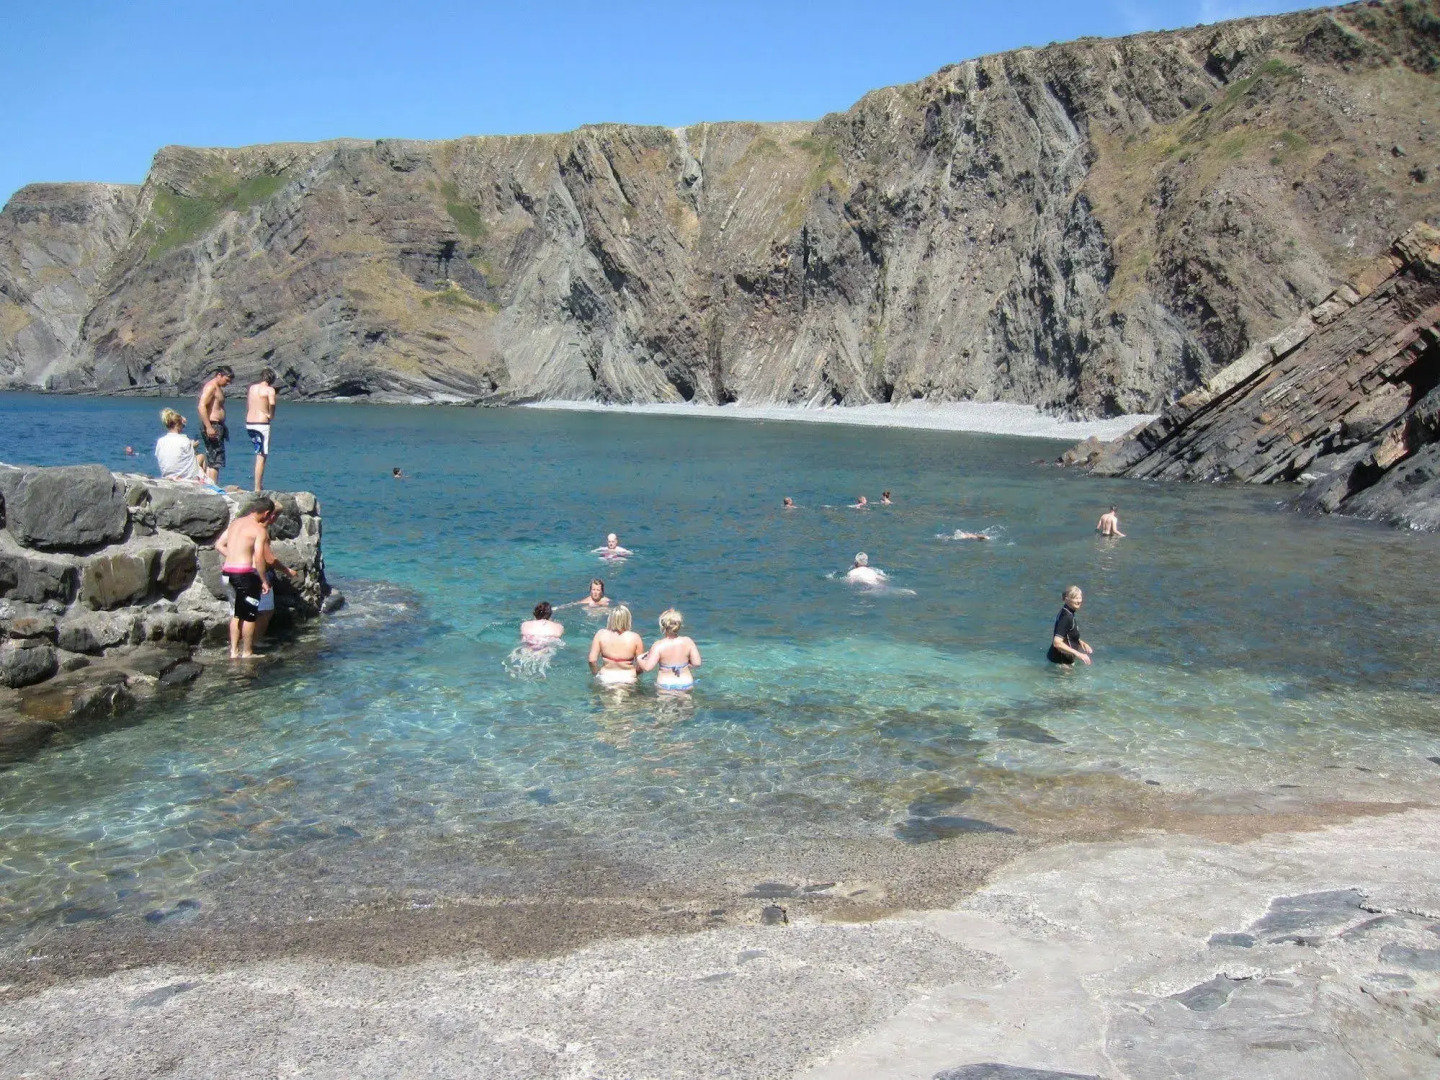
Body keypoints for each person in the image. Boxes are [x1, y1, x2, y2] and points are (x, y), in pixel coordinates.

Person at [214, 496, 275, 659]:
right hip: (244, 576)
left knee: (236, 613)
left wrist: (232, 556)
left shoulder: (235, 523)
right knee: (249, 615)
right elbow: (260, 558)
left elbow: (219, 544)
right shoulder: (259, 530)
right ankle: (247, 652)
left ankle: (234, 651)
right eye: (270, 516)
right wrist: (263, 580)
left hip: (227, 572)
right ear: (267, 513)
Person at [253, 507, 298, 644]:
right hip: (258, 574)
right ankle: (255, 642)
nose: (276, 519)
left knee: (244, 612)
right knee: (265, 611)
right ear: (269, 515)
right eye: (276, 515)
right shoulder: (262, 532)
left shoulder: (246, 527)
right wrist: (287, 571)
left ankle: (240, 646)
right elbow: (269, 559)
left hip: (241, 571)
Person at [639, 608, 702, 691]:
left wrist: (639, 659)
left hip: (665, 685)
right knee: (687, 703)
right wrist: (685, 664)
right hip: (686, 683)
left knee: (665, 704)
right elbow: (697, 663)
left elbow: (647, 668)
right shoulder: (688, 641)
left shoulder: (658, 645)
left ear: (663, 626)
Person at [588, 604, 645, 685]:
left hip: (606, 677)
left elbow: (592, 660)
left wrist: (596, 674)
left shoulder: (601, 634)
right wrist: (634, 674)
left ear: (611, 618)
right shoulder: (635, 637)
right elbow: (641, 666)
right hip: (628, 679)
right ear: (627, 619)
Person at [198, 365, 234, 484]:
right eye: (227, 380)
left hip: (217, 425)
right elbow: (202, 406)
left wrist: (224, 426)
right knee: (216, 459)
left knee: (213, 458)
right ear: (219, 375)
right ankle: (213, 487)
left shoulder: (217, 387)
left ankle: (210, 484)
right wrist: (208, 427)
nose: (228, 383)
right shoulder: (211, 387)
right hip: (212, 425)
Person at [246, 367, 278, 492]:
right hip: (261, 423)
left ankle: (257, 485)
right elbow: (272, 403)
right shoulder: (270, 390)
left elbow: (249, 403)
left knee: (257, 451)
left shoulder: (252, 388)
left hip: (249, 422)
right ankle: (257, 487)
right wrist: (271, 414)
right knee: (261, 456)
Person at [154, 409, 206, 482]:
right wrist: (192, 448)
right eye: (183, 425)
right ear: (178, 425)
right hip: (185, 478)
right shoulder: (185, 440)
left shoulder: (160, 441)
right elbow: (190, 463)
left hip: (167, 475)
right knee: (201, 457)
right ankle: (203, 482)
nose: (183, 428)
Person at [1048, 585, 1093, 666]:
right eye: (1075, 598)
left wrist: (1081, 642)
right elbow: (1057, 643)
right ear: (1066, 599)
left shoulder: (1067, 612)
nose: (1079, 601)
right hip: (1061, 663)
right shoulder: (1066, 617)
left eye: (1080, 598)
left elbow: (1068, 633)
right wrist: (1078, 654)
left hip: (1062, 660)